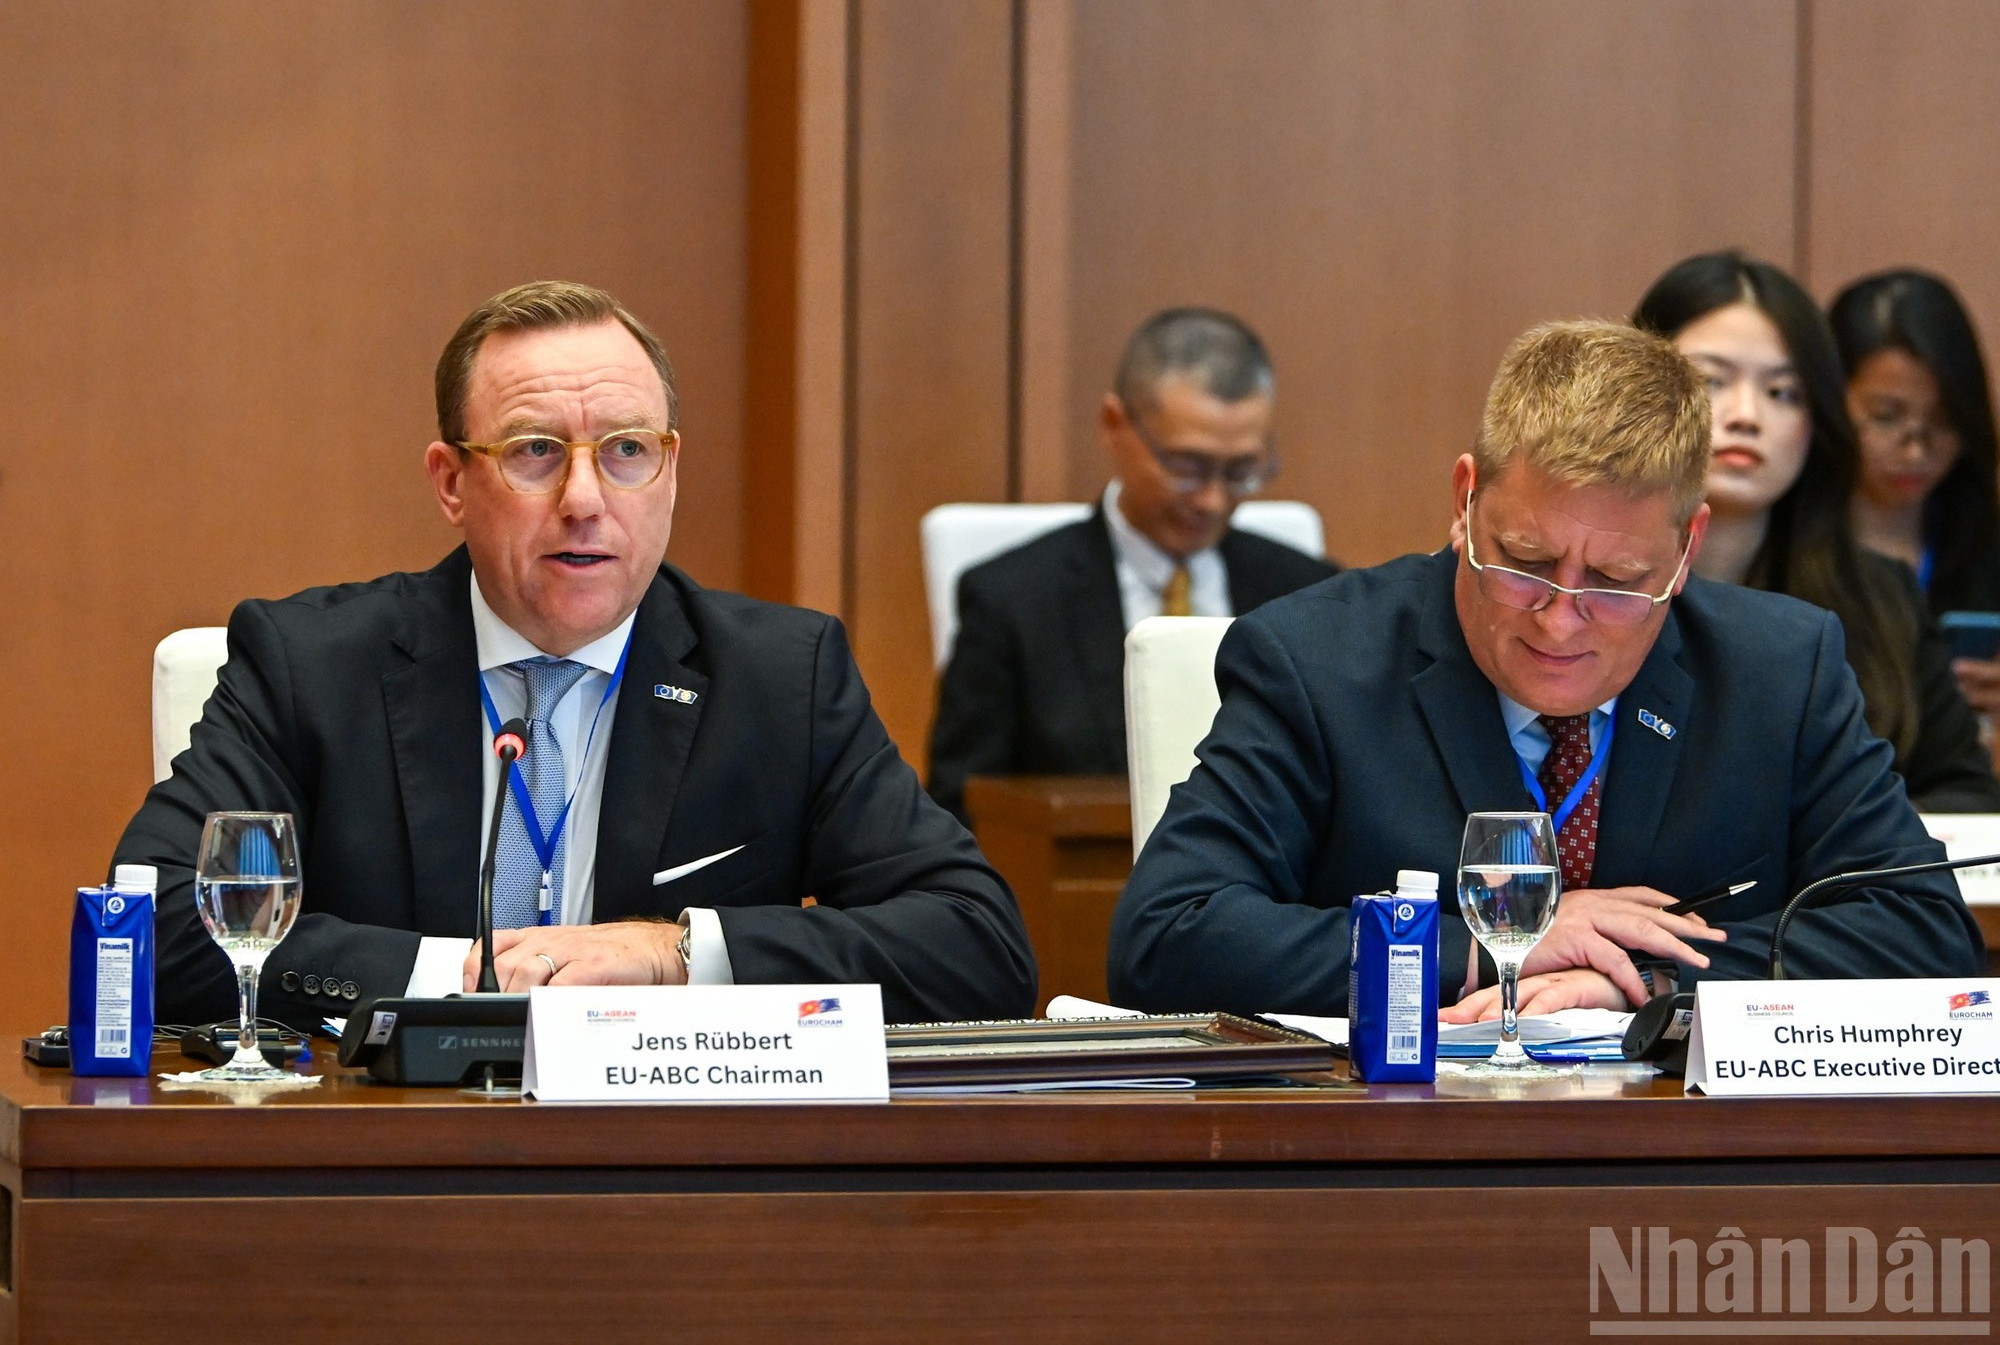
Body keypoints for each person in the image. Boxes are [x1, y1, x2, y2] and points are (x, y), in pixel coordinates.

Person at [116, 281, 1037, 1029]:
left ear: (670, 471)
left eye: (628, 450)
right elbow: (147, 926)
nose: (586, 497)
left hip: (678, 1185)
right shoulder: (310, 664)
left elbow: (977, 945)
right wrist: (470, 976)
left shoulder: (780, 677)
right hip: (387, 1169)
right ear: (451, 482)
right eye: (535, 452)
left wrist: (673, 952)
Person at [1107, 320, 1981, 1020]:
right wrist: (1502, 947)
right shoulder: (1314, 661)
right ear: (1463, 501)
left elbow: (1922, 933)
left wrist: (1644, 974)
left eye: (1616, 583)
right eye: (1524, 560)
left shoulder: (1780, 671)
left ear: (1686, 549)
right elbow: (1167, 934)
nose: (1561, 618)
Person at [926, 307, 1337, 825]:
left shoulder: (1310, 591)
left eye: (1240, 471)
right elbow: (962, 810)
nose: (1211, 500)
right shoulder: (1012, 601)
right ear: (1115, 425)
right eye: (1186, 467)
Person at [1633, 251, 2000, 812]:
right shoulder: (1578, 590)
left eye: (1783, 392)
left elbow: (1963, 794)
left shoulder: (1884, 599)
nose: (1746, 415)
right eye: (1710, 381)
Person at [1829, 268, 2000, 724]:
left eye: (1944, 421)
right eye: (1886, 417)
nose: (1917, 450)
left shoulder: (1986, 543)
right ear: (1830, 401)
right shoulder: (1788, 545)